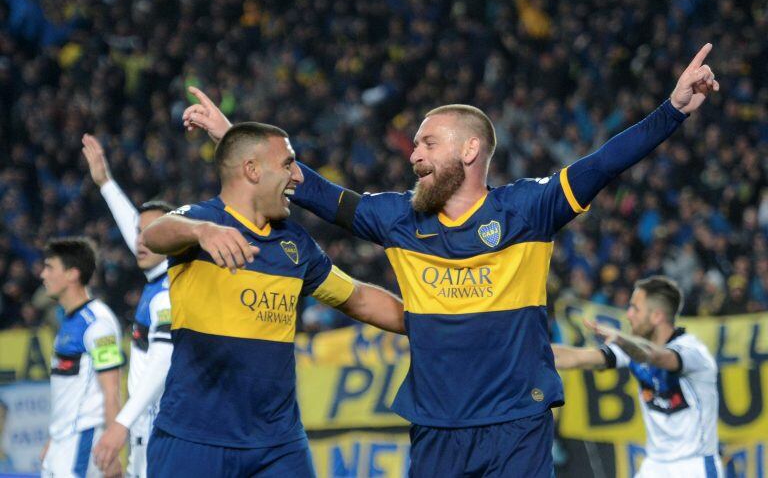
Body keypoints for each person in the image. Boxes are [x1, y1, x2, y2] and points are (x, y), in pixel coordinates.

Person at [182, 44, 718, 477]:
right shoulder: (398, 220)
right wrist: (236, 140)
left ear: (469, 151)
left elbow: (604, 163)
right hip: (436, 427)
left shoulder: (528, 210)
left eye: (427, 143)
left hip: (517, 423)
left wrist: (671, 112)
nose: (413, 154)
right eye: (414, 145)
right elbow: (314, 190)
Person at [141, 122, 405, 477]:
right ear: (251, 170)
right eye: (287, 163)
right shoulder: (203, 222)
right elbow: (155, 234)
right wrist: (200, 232)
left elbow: (356, 298)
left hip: (277, 444)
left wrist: (432, 322)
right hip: (195, 438)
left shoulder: (294, 244)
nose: (297, 175)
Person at [552, 276, 721, 477]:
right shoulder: (632, 347)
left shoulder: (693, 352)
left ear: (657, 316)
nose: (629, 315)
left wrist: (623, 341)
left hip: (694, 465)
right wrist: (526, 354)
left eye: (635, 308)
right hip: (655, 464)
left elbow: (655, 356)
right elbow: (579, 358)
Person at [81, 134, 175, 478]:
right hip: (145, 426)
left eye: (152, 233)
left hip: (157, 425)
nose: (140, 240)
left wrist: (121, 422)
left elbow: (162, 363)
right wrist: (105, 183)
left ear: (174, 238)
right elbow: (140, 231)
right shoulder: (158, 277)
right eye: (138, 232)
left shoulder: (168, 294)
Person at [39, 237, 125, 478]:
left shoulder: (98, 324)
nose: (42, 275)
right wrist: (53, 439)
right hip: (61, 443)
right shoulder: (68, 321)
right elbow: (66, 391)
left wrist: (113, 452)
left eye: (49, 267)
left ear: (72, 274)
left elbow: (111, 392)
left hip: (82, 443)